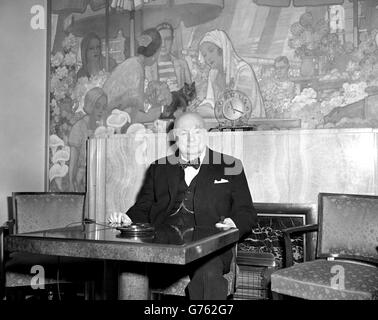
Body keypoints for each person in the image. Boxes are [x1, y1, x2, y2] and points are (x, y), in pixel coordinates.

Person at [108, 112, 257, 300]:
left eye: (196, 132)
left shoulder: (231, 165)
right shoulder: (159, 167)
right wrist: (128, 218)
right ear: (175, 138)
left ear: (205, 134)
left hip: (209, 249)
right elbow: (144, 206)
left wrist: (233, 222)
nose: (191, 138)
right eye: (184, 133)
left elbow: (247, 212)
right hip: (163, 246)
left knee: (208, 273)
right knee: (127, 264)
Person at [196, 29, 265, 118]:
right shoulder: (213, 74)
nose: (208, 57)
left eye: (211, 50)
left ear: (222, 49)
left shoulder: (243, 70)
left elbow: (243, 109)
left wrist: (213, 114)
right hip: (225, 124)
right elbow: (211, 99)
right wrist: (205, 106)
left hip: (250, 124)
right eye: (204, 55)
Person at [102, 28, 163, 123]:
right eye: (159, 51)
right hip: (111, 121)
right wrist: (154, 113)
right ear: (155, 53)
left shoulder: (134, 63)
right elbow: (132, 114)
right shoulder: (136, 68)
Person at [68, 87, 107, 192]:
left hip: (99, 180)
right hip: (82, 181)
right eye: (97, 106)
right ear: (90, 105)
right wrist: (71, 182)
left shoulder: (103, 129)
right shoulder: (79, 127)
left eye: (104, 107)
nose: (101, 111)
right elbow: (73, 160)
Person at [145, 22, 192, 92]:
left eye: (167, 39)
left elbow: (190, 90)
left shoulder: (182, 64)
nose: (163, 44)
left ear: (172, 40)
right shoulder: (148, 67)